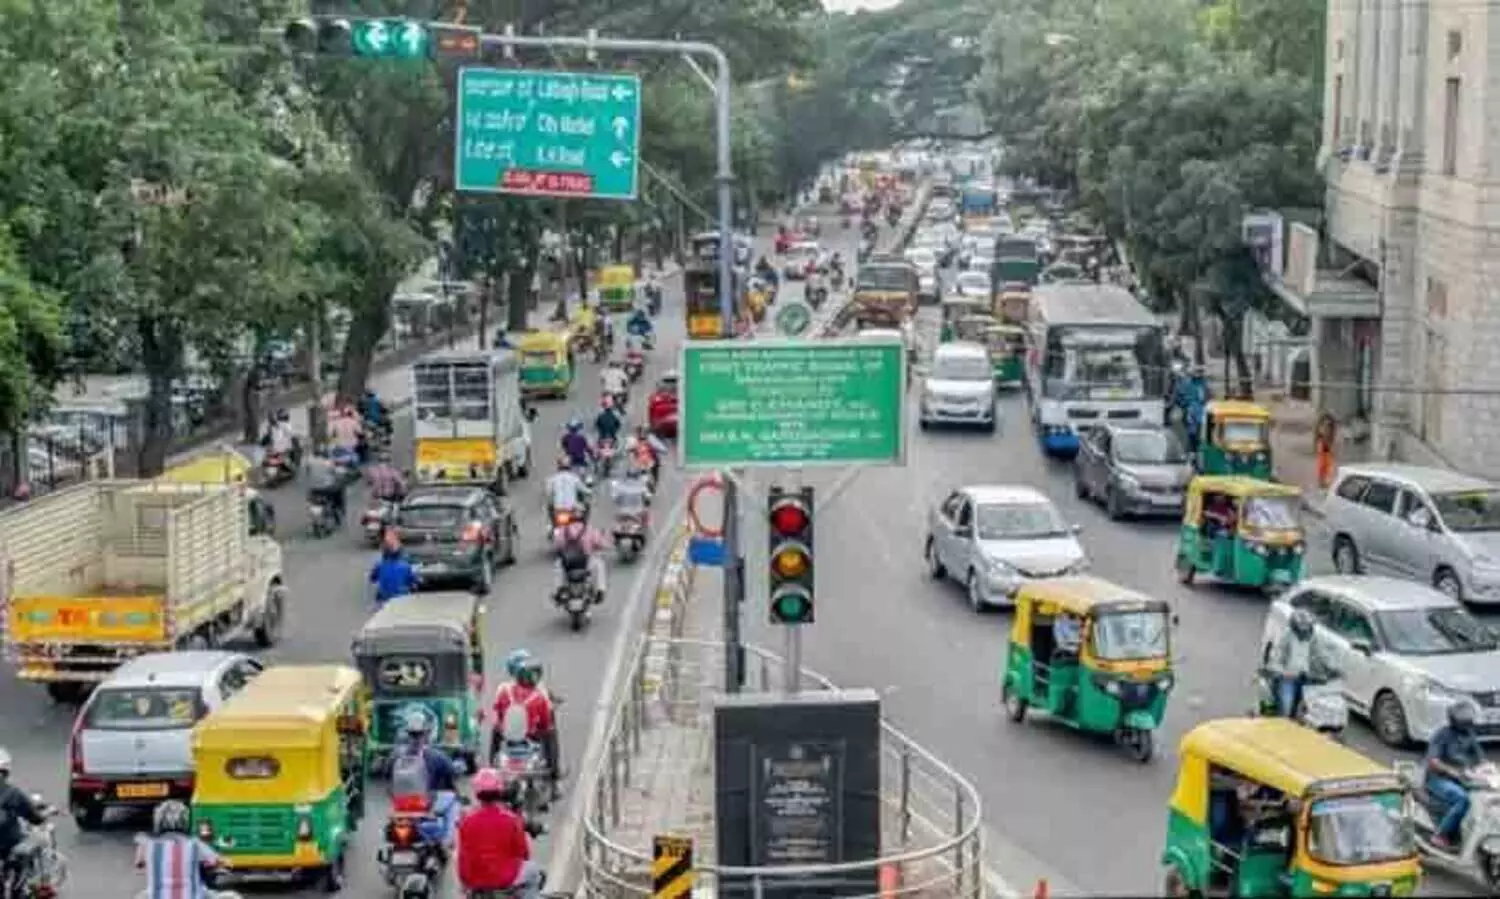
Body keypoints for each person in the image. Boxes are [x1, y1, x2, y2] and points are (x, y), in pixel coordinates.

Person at [456, 768, 545, 898]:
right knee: (533, 871)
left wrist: (465, 883)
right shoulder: (511, 819)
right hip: (506, 878)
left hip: (475, 881)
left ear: (477, 793)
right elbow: (523, 853)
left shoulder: (466, 821)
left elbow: (463, 857)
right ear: (499, 791)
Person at [132, 799, 234, 899]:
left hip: (156, 895)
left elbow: (139, 863)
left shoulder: (147, 845)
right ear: (185, 820)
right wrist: (222, 862)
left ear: (158, 821)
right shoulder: (195, 844)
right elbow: (218, 861)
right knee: (232, 896)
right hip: (193, 895)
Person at [389, 710, 461, 850]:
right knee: (453, 801)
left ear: (408, 733)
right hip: (425, 803)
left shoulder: (396, 755)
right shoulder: (437, 756)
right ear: (426, 733)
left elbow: (387, 776)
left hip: (400, 805)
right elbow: (451, 774)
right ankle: (447, 842)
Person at [491, 659, 562, 798]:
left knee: (495, 730)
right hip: (531, 736)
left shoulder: (505, 691)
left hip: (508, 736)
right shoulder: (539, 696)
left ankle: (491, 767)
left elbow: (498, 712)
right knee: (550, 733)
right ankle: (553, 777)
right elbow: (545, 723)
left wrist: (502, 724)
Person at [1426, 700, 1486, 849]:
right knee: (1463, 799)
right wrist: (1452, 771)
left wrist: (1487, 769)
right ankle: (1440, 835)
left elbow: (1480, 758)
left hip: (1464, 778)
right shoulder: (1442, 735)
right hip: (1439, 779)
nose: (1469, 725)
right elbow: (1433, 762)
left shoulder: (1469, 735)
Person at [1267, 609, 1331, 718]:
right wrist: (1283, 672)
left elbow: (1321, 657)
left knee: (1314, 711)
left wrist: (1326, 671)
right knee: (1286, 708)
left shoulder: (1315, 639)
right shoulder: (1286, 637)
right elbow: (1276, 658)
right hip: (1288, 678)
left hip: (1308, 679)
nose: (1305, 632)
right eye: (1302, 629)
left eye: (1307, 628)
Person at [0, 749, 46, 893]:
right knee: (33, 843)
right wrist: (42, 817)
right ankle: (19, 887)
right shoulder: (13, 792)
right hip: (6, 843)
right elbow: (35, 817)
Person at [551, 515, 608, 604]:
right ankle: (600, 591)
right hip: (585, 563)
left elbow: (557, 545)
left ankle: (559, 590)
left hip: (568, 564)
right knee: (599, 564)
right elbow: (600, 543)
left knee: (558, 567)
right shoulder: (589, 530)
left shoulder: (563, 530)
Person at [370, 541, 419, 606]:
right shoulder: (406, 566)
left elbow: (373, 579)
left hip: (384, 598)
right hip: (401, 598)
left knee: (378, 598)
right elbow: (413, 581)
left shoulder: (379, 565)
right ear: (399, 554)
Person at [305, 449, 345, 527]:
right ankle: (338, 508)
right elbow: (336, 473)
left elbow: (308, 473)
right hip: (327, 488)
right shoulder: (329, 463)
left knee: (311, 500)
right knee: (339, 490)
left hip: (313, 488)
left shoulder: (310, 462)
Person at [545, 455, 590, 523]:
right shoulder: (574, 478)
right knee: (585, 509)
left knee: (550, 507)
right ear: (570, 466)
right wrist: (589, 491)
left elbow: (548, 493)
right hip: (571, 508)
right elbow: (585, 490)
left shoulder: (552, 479)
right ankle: (583, 525)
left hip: (558, 508)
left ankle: (552, 525)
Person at [610, 464, 653, 530]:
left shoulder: (620, 485)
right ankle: (643, 524)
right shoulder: (640, 485)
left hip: (624, 510)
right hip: (636, 510)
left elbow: (614, 497)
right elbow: (647, 495)